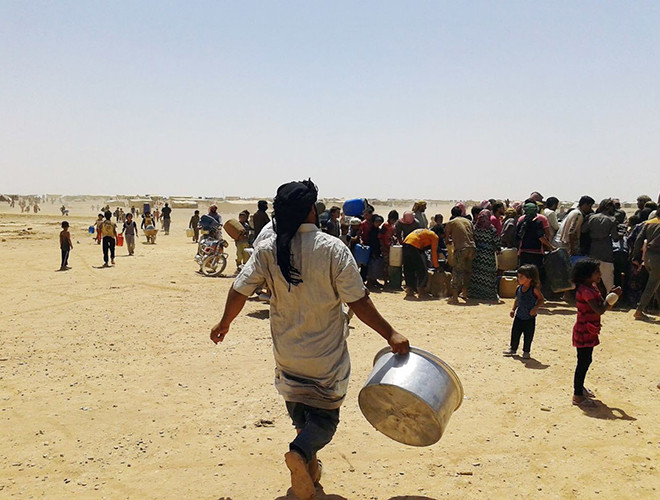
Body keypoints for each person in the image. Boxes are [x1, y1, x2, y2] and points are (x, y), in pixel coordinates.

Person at [210, 179, 409, 500]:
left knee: (300, 408)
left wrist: (224, 323)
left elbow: (239, 290)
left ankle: (309, 469)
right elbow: (358, 301)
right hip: (325, 357)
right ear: (311, 211)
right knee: (326, 418)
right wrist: (390, 333)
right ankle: (300, 453)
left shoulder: (268, 248)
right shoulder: (332, 248)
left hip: (287, 354)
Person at [570, 259, 622, 407]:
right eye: (597, 272)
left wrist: (612, 297)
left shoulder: (592, 287)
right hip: (584, 330)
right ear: (587, 274)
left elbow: (603, 307)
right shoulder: (586, 291)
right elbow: (599, 310)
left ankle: (579, 388)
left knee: (586, 360)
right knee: (583, 362)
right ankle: (577, 395)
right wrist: (612, 297)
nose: (600, 274)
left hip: (589, 329)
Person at [503, 264, 544, 358]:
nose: (518, 278)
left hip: (529, 317)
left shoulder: (534, 290)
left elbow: (541, 299)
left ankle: (526, 351)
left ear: (529, 278)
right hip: (519, 316)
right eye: (518, 276)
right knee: (515, 333)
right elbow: (517, 299)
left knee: (528, 335)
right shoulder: (519, 288)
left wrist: (535, 308)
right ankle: (513, 349)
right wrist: (513, 309)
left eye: (521, 276)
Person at [582, 199, 620, 292]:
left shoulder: (591, 218)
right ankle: (610, 297)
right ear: (608, 207)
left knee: (592, 277)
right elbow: (615, 237)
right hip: (606, 252)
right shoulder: (612, 219)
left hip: (593, 250)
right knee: (608, 279)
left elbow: (583, 230)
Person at [632, 209, 660, 320]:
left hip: (648, 256)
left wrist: (636, 257)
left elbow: (638, 240)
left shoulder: (649, 223)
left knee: (656, 284)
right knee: (652, 285)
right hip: (658, 257)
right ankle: (639, 310)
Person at [516, 202, 554, 282]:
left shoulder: (521, 222)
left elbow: (517, 237)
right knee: (536, 276)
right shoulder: (538, 222)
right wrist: (551, 247)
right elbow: (541, 237)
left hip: (523, 252)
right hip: (536, 253)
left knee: (523, 275)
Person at [445, 206, 476, 303]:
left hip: (461, 249)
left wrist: (451, 242)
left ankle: (455, 297)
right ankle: (465, 294)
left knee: (457, 271)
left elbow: (446, 239)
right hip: (472, 248)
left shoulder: (451, 222)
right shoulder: (468, 222)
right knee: (467, 272)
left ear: (452, 214)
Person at [468, 210, 500, 301]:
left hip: (477, 256)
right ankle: (488, 294)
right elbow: (497, 242)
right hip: (488, 256)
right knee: (488, 275)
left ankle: (475, 294)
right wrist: (498, 249)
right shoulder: (491, 229)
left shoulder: (475, 228)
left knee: (476, 275)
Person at [402, 228, 439, 299]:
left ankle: (410, 290)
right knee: (422, 270)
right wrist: (436, 266)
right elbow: (434, 252)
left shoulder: (424, 231)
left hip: (406, 243)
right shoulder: (434, 236)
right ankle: (421, 291)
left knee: (409, 269)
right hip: (414, 246)